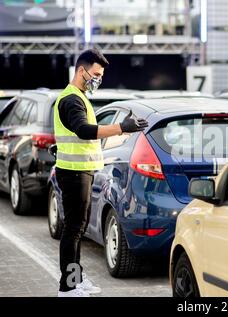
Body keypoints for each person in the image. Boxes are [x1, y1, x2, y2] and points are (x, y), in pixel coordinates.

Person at [54, 49, 148, 297]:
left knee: (78, 228)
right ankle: (68, 286)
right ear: (80, 70)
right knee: (73, 230)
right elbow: (85, 131)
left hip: (80, 171)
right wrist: (120, 127)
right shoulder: (71, 99)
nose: (97, 79)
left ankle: (77, 278)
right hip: (74, 173)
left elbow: (88, 138)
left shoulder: (79, 97)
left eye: (101, 76)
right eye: (95, 74)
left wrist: (124, 135)